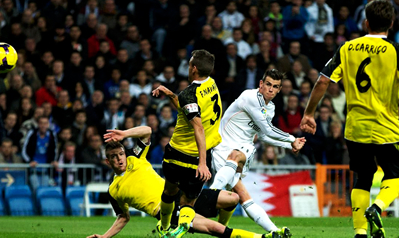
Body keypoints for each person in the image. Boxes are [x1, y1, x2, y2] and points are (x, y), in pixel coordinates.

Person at [300, 0, 399, 238]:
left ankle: (360, 232)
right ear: (392, 24)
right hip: (386, 129)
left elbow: (323, 81)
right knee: (397, 173)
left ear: (366, 22)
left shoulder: (346, 48)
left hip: (355, 129)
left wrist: (309, 113)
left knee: (362, 178)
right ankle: (378, 207)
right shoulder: (397, 51)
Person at [88, 126, 283, 238]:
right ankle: (263, 237)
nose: (120, 159)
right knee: (214, 228)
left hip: (183, 195)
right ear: (108, 161)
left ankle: (221, 230)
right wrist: (104, 237)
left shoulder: (134, 158)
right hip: (168, 212)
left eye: (121, 154)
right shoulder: (114, 190)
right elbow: (123, 217)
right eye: (114, 157)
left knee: (233, 198)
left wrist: (125, 134)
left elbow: (147, 131)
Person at [209, 69, 305, 235]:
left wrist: (290, 146)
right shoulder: (250, 97)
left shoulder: (271, 108)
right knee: (236, 176)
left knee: (241, 195)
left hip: (242, 149)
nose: (270, 89)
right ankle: (209, 196)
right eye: (268, 84)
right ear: (261, 84)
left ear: (279, 90)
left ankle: (275, 232)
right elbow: (268, 130)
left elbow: (262, 136)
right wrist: (291, 139)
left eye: (275, 86)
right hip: (223, 147)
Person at [151, 50, 222, 237]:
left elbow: (197, 126)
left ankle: (164, 227)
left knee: (169, 190)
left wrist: (202, 163)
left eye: (190, 64)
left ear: (194, 68)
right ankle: (181, 228)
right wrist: (172, 95)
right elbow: (189, 109)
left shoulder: (189, 93)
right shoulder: (212, 84)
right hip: (200, 153)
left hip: (178, 153)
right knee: (188, 201)